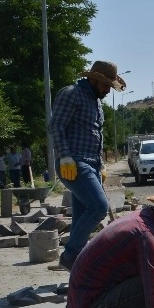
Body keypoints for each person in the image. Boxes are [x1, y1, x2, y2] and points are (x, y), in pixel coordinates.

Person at [48, 60, 125, 270]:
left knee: (82, 215)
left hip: (91, 164)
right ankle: (70, 255)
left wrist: (101, 165)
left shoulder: (97, 102)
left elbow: (96, 135)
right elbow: (56, 126)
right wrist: (64, 156)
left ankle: (77, 266)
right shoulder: (71, 93)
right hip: (74, 162)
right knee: (99, 207)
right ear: (93, 79)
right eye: (106, 85)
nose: (108, 90)